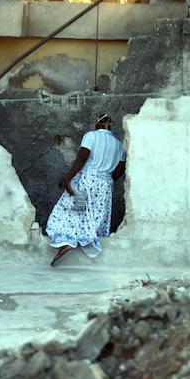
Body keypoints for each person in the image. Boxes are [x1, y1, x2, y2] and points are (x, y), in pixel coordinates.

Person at [46, 113, 127, 267]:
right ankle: (84, 241)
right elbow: (120, 170)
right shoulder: (119, 145)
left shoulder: (91, 136)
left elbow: (82, 158)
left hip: (86, 179)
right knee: (93, 217)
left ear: (97, 123)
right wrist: (106, 181)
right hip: (105, 185)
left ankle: (67, 242)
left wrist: (69, 178)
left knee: (69, 211)